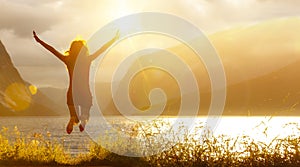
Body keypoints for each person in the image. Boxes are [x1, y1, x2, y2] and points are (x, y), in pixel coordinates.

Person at [33, 30, 119, 134]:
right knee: (85, 115)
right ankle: (83, 121)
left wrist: (39, 41)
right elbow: (102, 49)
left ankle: (72, 119)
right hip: (85, 93)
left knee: (74, 117)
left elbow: (53, 50)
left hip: (72, 94)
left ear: (71, 49)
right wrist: (114, 39)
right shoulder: (88, 59)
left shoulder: (68, 60)